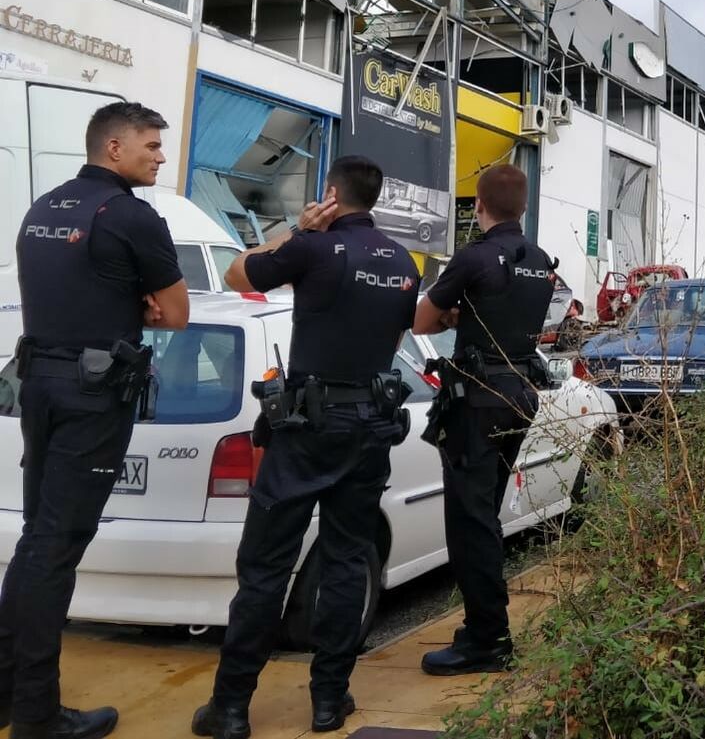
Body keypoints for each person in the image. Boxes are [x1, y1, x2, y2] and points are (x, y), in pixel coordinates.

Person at [191, 156, 419, 739]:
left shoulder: (313, 248)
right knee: (346, 562)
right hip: (369, 425)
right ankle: (328, 700)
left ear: (332, 194)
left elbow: (239, 276)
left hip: (306, 427)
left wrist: (295, 230)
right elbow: (394, 338)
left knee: (266, 565)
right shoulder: (402, 262)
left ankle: (232, 707)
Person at [0, 102, 190, 739]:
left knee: (35, 543)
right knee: (55, 550)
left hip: (39, 386)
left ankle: (8, 694)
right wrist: (138, 302)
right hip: (93, 395)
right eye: (152, 145)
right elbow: (177, 313)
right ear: (115, 148)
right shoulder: (133, 217)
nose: (161, 156)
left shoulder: (42, 208)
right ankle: (36, 715)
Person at [411, 164, 555, 675]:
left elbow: (423, 320)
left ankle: (487, 639)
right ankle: (482, 627)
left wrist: (454, 314)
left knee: (471, 524)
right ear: (523, 205)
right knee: (484, 516)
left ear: (479, 204)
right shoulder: (539, 260)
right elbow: (508, 315)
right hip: (519, 394)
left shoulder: (474, 257)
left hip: (478, 399)